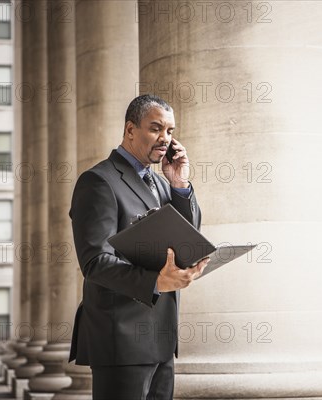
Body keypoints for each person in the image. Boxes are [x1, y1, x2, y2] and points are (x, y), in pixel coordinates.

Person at [68, 94, 209, 399]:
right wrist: (157, 280)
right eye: (156, 128)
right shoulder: (98, 181)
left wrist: (179, 184)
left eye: (170, 131)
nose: (165, 139)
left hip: (160, 337)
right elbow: (94, 262)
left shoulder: (161, 183)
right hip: (120, 338)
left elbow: (188, 236)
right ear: (130, 130)